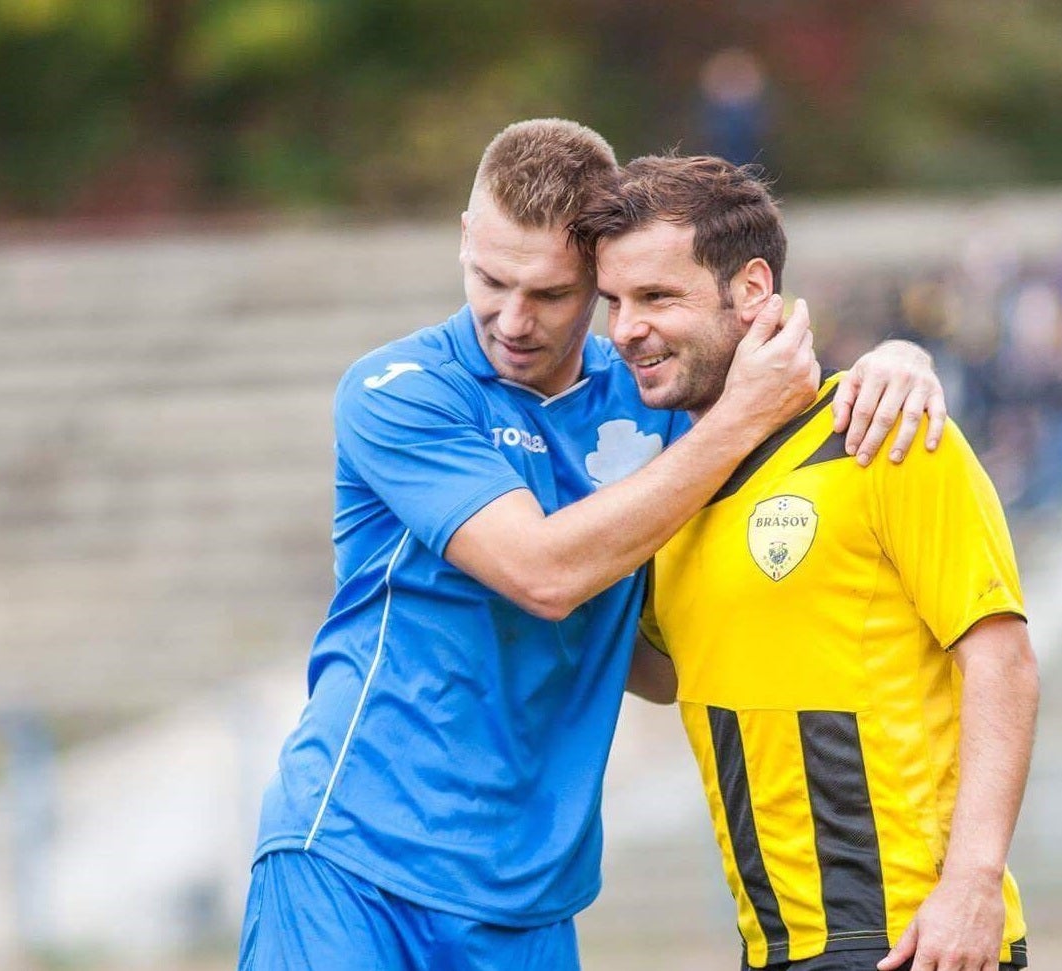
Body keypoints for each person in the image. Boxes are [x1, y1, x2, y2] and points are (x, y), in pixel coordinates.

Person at [239, 118, 948, 971]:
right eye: (490, 280)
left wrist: (899, 359)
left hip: (534, 893)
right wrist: (731, 424)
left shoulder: (655, 393)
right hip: (354, 857)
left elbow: (778, 391)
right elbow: (543, 573)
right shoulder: (402, 392)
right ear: (467, 237)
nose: (511, 318)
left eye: (551, 294)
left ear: (602, 281)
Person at [574, 155, 1040, 971]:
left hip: (914, 936)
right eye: (613, 302)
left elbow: (1000, 657)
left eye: (655, 296)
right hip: (776, 943)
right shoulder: (676, 490)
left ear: (752, 288)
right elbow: (667, 669)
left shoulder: (885, 432)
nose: (623, 329)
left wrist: (973, 881)